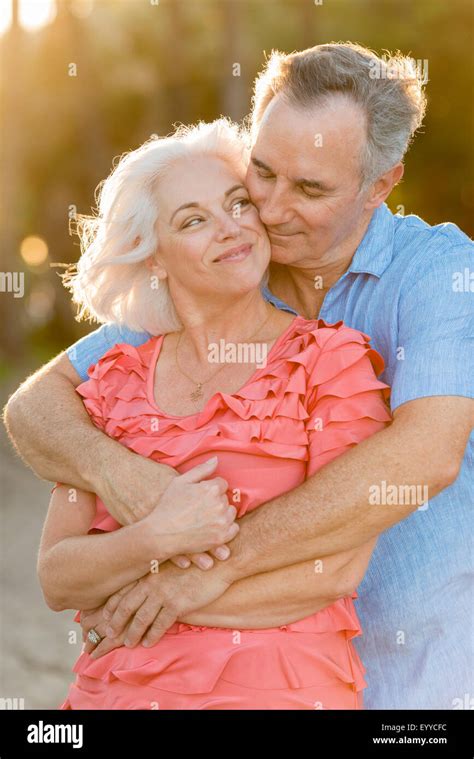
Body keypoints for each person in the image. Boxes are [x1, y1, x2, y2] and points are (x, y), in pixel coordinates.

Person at [4, 42, 473, 709]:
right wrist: (132, 482)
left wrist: (186, 581)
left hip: (417, 679)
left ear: (381, 184)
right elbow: (33, 407)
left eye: (310, 188)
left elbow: (424, 454)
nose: (272, 210)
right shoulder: (226, 274)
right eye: (262, 173)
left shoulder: (438, 274)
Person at [37, 118, 391, 709]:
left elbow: (335, 571)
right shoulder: (113, 384)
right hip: (115, 693)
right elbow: (57, 577)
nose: (231, 229)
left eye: (237, 205)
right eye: (193, 220)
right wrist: (153, 537)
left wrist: (157, 594)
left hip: (277, 690)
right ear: (153, 258)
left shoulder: (330, 364)